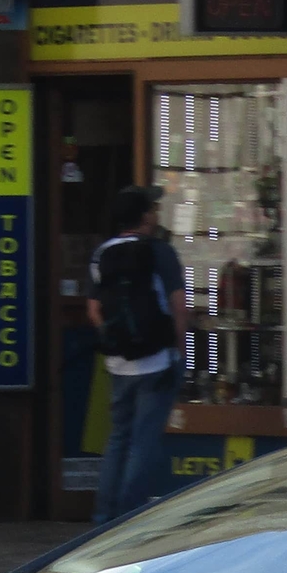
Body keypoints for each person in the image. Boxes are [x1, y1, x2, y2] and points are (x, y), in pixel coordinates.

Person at [85, 186, 190, 524]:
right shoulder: (160, 252)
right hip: (156, 362)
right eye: (154, 208)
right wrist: (177, 350)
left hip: (119, 364)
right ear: (145, 216)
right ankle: (129, 524)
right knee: (143, 443)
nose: (157, 212)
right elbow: (177, 307)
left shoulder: (103, 253)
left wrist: (116, 341)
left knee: (118, 440)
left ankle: (103, 521)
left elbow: (94, 309)